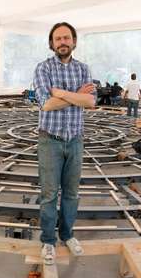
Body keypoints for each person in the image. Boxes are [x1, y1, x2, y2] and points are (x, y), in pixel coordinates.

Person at [33, 22, 95, 265]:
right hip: (50, 140)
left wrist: (61, 93)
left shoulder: (83, 68)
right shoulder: (43, 68)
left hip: (76, 140)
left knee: (71, 193)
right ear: (51, 43)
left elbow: (90, 101)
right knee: (49, 194)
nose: (62, 42)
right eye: (57, 38)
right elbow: (45, 104)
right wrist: (76, 95)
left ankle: (67, 235)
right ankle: (48, 241)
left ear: (74, 41)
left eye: (66, 38)